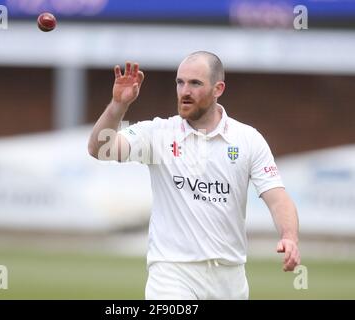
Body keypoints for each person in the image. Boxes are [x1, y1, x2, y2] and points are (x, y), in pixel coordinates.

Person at [88, 51, 300, 300]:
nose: (185, 91)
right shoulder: (158, 133)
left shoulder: (248, 139)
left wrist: (289, 237)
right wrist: (118, 105)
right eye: (180, 82)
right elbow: (100, 149)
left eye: (195, 83)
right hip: (171, 272)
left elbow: (277, 197)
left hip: (229, 277)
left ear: (218, 88)